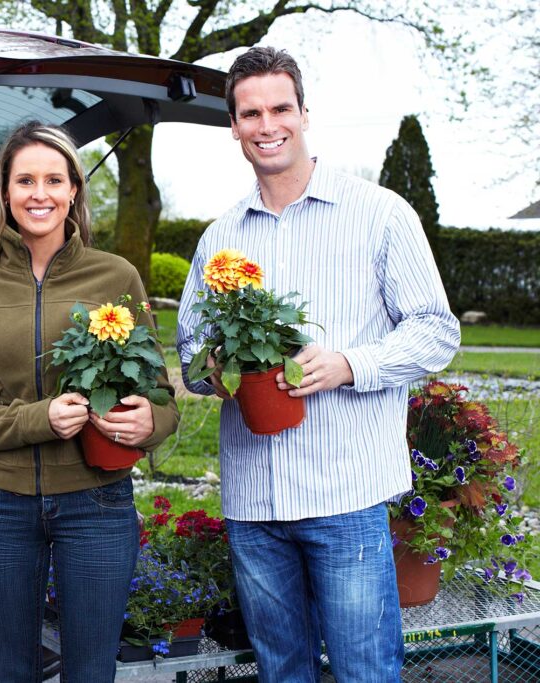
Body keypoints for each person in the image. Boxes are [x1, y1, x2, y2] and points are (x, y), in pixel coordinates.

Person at [176, 47, 460, 681]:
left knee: (365, 669)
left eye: (280, 108)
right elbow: (192, 357)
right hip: (255, 503)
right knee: (281, 670)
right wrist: (219, 368)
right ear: (234, 127)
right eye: (251, 113)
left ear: (305, 113)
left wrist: (349, 364)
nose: (267, 124)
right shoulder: (220, 238)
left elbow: (436, 331)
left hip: (346, 493)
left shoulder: (380, 213)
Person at [0, 121, 179, 682]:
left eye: (53, 179)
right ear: (5, 193)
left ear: (74, 190)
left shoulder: (115, 275)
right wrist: (38, 419)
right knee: (11, 673)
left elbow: (162, 399)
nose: (38, 193)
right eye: (24, 180)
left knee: (91, 673)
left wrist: (151, 422)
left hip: (96, 505)